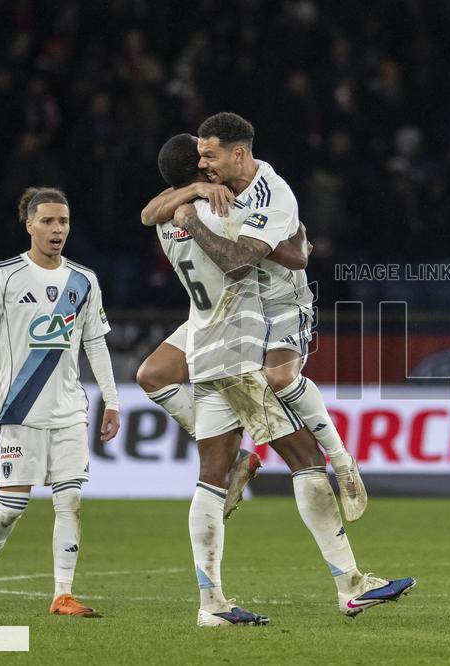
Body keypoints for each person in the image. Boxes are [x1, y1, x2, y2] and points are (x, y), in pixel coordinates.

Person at [145, 130, 414, 627]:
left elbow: (153, 209)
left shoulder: (167, 220)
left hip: (204, 353)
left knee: (211, 479)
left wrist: (186, 199)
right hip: (240, 356)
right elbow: (280, 255)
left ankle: (211, 606)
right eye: (206, 161)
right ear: (203, 172)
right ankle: (351, 586)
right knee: (307, 461)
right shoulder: (216, 211)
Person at [140, 121, 367, 523]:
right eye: (201, 159)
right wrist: (194, 192)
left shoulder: (271, 192)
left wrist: (246, 234)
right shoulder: (208, 190)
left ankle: (341, 460)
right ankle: (239, 455)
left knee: (279, 379)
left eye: (210, 157)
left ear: (237, 154)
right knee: (153, 374)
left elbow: (296, 257)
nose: (205, 165)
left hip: (280, 302)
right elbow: (148, 213)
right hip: (228, 309)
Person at [0, 187, 121, 618]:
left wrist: (113, 401)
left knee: (69, 501)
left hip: (69, 410)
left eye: (63, 222)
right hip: (18, 410)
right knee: (12, 507)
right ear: (29, 224)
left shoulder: (84, 281)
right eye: (47, 221)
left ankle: (62, 594)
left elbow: (96, 345)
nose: (57, 229)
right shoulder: (5, 274)